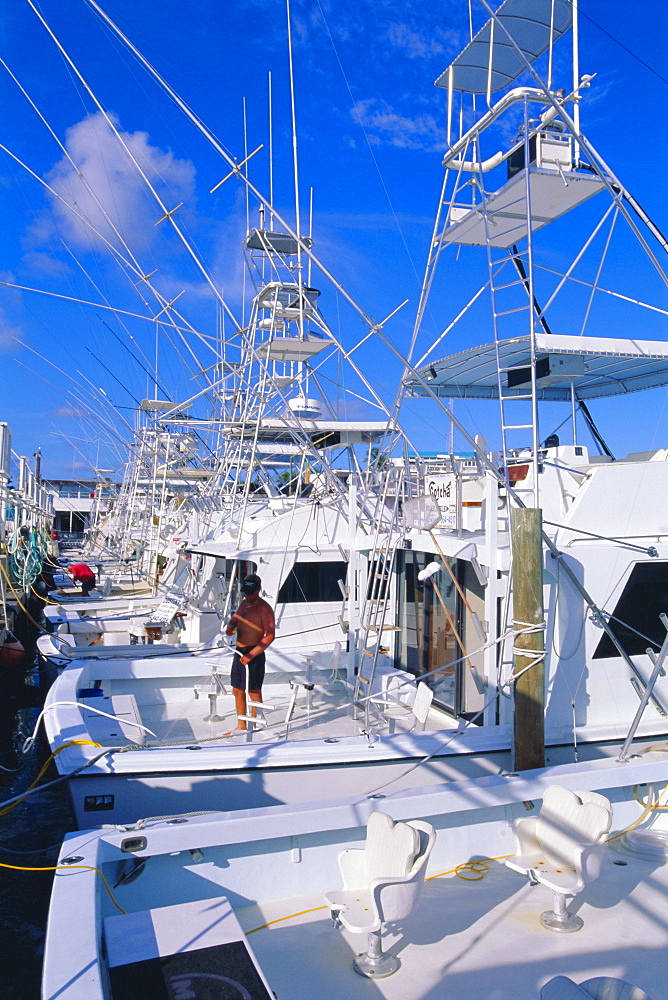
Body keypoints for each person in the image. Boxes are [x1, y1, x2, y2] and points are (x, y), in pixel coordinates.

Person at [225, 574, 275, 733]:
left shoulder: (264, 608)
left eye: (250, 592)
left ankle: (257, 725)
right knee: (237, 689)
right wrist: (230, 626)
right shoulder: (244, 604)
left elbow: (270, 635)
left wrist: (251, 655)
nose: (247, 595)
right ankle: (241, 725)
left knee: (254, 691)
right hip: (239, 651)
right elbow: (235, 619)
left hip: (254, 654)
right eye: (245, 592)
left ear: (259, 590)